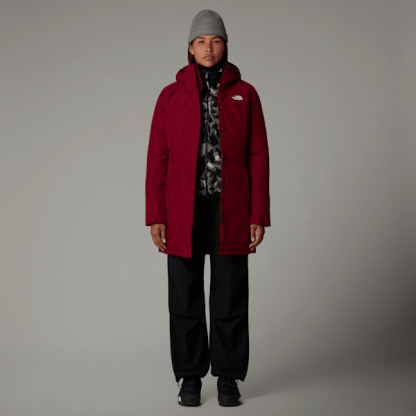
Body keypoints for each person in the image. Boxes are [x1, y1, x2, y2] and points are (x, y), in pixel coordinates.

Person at [145, 9, 271, 407]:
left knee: (229, 295)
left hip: (230, 207)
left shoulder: (245, 94)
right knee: (184, 296)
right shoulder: (170, 96)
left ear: (225, 46)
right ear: (190, 48)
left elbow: (258, 155)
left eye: (215, 41)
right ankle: (190, 377)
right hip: (182, 209)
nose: (208, 48)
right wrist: (156, 215)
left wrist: (258, 215)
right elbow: (158, 157)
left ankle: (229, 377)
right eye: (201, 41)